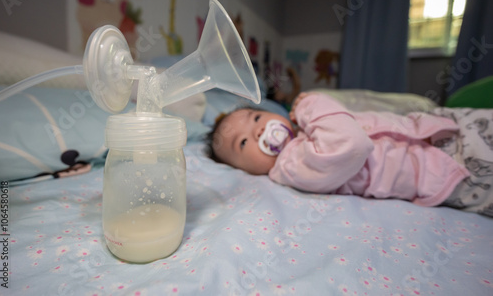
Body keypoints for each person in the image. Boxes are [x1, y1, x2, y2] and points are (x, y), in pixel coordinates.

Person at [206, 92, 493, 217]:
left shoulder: (302, 132)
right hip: (448, 169)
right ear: (243, 171)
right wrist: (311, 105)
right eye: (242, 144)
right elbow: (352, 145)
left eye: (255, 117)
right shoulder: (291, 167)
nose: (257, 131)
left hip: (439, 127)